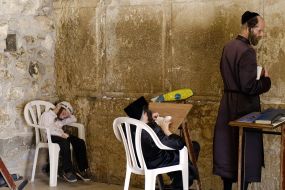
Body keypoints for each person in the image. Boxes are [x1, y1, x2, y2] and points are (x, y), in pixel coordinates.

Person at [213, 11, 271, 190]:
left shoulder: (228, 46)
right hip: (244, 109)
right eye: (259, 31)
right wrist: (266, 81)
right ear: (249, 28)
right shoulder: (247, 51)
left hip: (227, 104)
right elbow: (249, 87)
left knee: (228, 151)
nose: (261, 35)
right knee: (245, 152)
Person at [124, 96, 200, 190]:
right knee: (191, 148)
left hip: (138, 161)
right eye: (148, 110)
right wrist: (165, 129)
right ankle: (180, 184)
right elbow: (179, 144)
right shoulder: (150, 128)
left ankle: (178, 180)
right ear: (144, 113)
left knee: (190, 151)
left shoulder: (128, 126)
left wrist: (151, 120)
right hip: (155, 162)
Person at [39, 101, 90, 183]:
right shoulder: (47, 115)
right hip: (50, 136)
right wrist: (61, 134)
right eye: (64, 111)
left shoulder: (60, 120)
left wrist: (67, 114)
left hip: (61, 135)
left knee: (80, 142)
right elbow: (46, 129)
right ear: (59, 107)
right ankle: (67, 171)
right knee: (65, 142)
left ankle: (82, 169)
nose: (65, 115)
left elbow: (74, 119)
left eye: (67, 114)